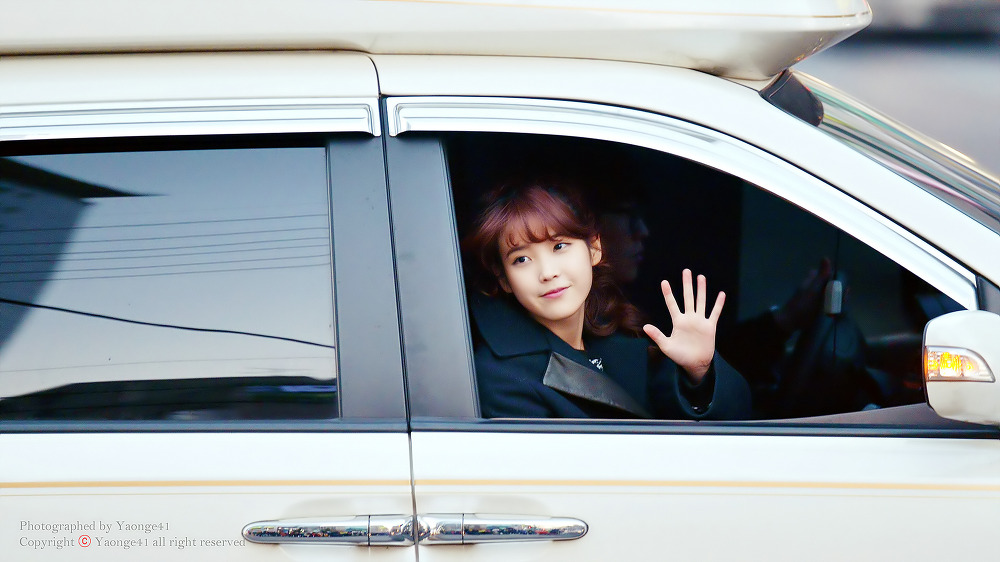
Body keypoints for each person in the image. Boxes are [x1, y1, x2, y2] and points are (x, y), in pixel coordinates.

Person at [463, 179, 751, 420]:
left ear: (594, 249)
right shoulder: (500, 379)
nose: (548, 273)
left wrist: (698, 372)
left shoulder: (622, 337)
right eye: (522, 259)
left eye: (559, 246)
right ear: (505, 280)